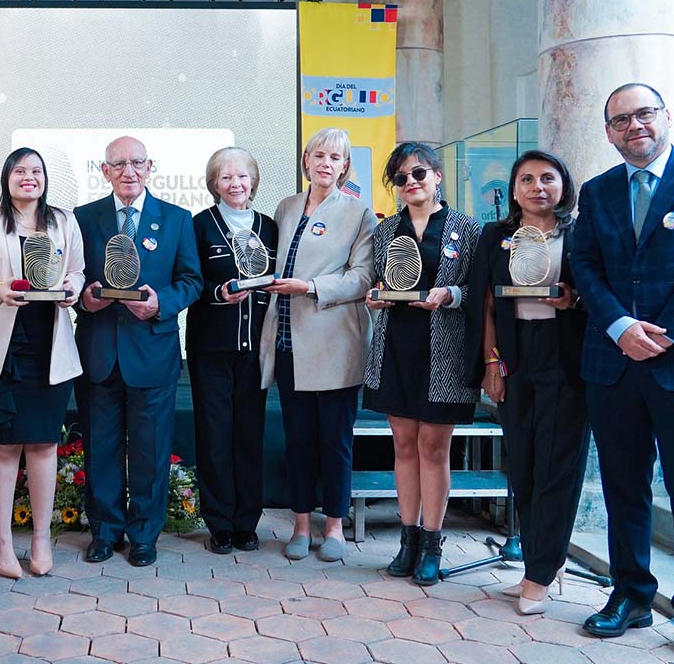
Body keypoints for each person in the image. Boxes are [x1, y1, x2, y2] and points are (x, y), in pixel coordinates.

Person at [570, 83, 674, 664]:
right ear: (609, 132)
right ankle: (631, 593)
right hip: (613, 364)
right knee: (623, 486)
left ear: (666, 117)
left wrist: (664, 333)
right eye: (620, 120)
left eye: (643, 113)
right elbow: (583, 262)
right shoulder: (598, 190)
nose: (633, 125)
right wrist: (618, 326)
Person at [468, 150, 589, 615]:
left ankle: (540, 574)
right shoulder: (497, 236)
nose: (538, 186)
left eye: (547, 178)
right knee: (523, 466)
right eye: (526, 179)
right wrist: (492, 363)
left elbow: (595, 291)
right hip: (515, 357)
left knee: (558, 466)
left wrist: (573, 299)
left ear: (563, 185)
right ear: (514, 190)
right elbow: (487, 305)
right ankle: (540, 564)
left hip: (566, 358)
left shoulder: (580, 233)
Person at [74, 135, 202, 567]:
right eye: (118, 164)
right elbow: (72, 277)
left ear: (151, 168)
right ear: (104, 170)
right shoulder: (82, 218)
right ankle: (105, 532)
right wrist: (83, 299)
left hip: (152, 354)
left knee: (149, 449)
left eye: (137, 163)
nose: (128, 171)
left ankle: (145, 534)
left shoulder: (177, 219)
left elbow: (191, 280)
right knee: (101, 447)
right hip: (98, 353)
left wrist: (160, 303)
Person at [364, 142, 480, 586]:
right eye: (401, 178)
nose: (411, 183)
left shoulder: (466, 229)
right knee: (403, 446)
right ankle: (407, 539)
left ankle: (433, 541)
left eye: (419, 174)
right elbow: (378, 283)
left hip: (444, 351)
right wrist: (375, 296)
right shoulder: (386, 230)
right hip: (395, 346)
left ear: (437, 176)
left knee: (434, 448)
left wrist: (450, 295)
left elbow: (478, 291)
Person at [0, 147, 85, 578]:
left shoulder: (64, 221)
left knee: (43, 446)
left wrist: (72, 287)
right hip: (4, 350)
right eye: (20, 170)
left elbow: (77, 271)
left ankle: (40, 538)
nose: (28, 177)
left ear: (44, 178)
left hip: (51, 348)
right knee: (2, 447)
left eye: (36, 171)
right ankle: (0, 542)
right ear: (7, 177)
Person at [260, 129, 376, 563]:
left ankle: (334, 527)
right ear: (306, 160)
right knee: (298, 440)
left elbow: (362, 278)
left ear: (345, 166)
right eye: (319, 155)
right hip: (288, 341)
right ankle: (301, 525)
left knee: (335, 441)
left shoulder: (360, 213)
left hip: (334, 343)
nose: (326, 163)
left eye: (336, 157)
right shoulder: (286, 207)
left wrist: (310, 286)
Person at [186, 147, 278, 555]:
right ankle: (220, 523)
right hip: (211, 348)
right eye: (225, 178)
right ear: (214, 184)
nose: (235, 184)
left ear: (253, 181)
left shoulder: (271, 227)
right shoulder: (198, 226)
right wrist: (218, 293)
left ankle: (247, 522)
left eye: (242, 177)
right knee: (215, 436)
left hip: (256, 349)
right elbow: (189, 281)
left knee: (248, 435)